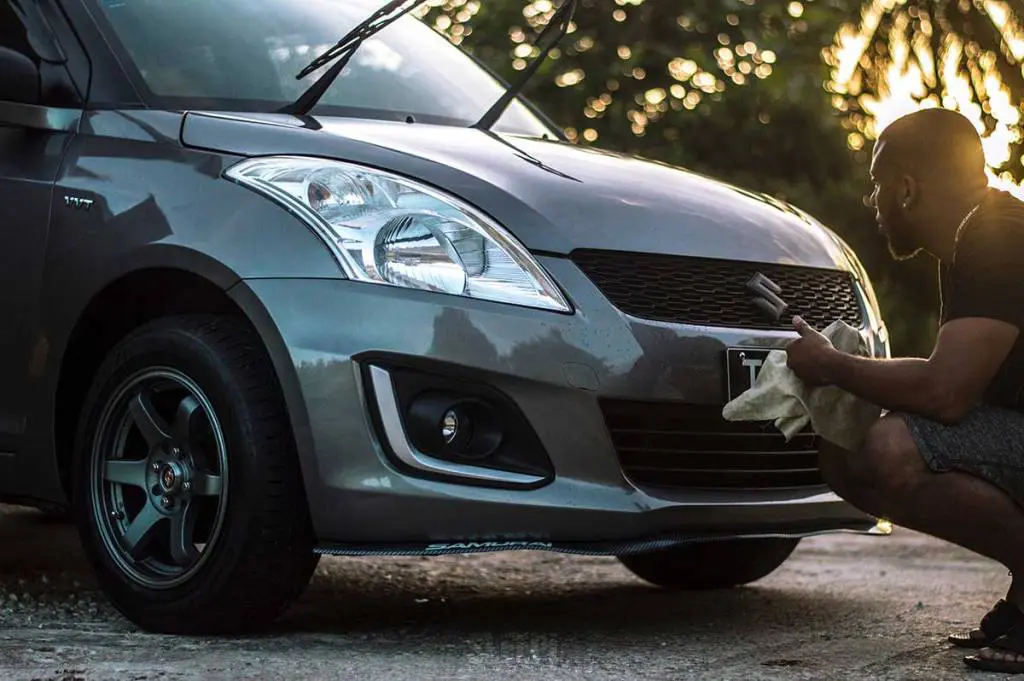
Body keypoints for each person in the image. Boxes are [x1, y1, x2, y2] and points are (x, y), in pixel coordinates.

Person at [784, 107, 1024, 674]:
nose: (874, 203)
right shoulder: (977, 236)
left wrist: (833, 365)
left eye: (878, 186)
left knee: (886, 448)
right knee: (849, 450)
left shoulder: (997, 237)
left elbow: (946, 392)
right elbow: (964, 381)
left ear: (908, 188)